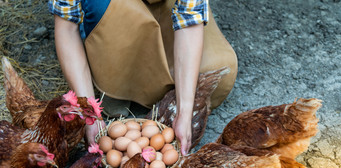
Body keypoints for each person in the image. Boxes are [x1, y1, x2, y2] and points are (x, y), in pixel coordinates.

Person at [49, 0, 237, 155]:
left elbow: (189, 19)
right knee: (98, 7)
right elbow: (66, 27)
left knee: (217, 69)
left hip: (166, 7)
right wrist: (89, 110)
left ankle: (135, 79)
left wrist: (184, 112)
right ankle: (117, 75)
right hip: (116, 10)